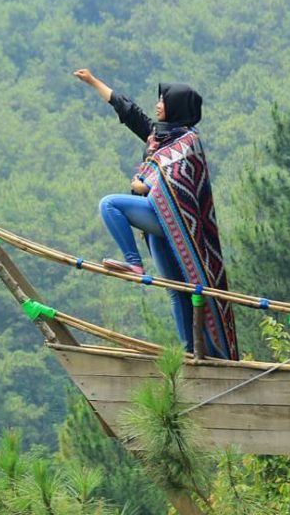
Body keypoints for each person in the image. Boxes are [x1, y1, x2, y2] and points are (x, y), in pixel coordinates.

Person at [73, 68, 239, 360]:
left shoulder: (187, 141)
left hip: (175, 219)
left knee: (110, 204)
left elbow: (176, 179)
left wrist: (145, 183)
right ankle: (191, 353)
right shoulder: (158, 137)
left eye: (163, 99)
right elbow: (128, 111)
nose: (158, 104)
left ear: (176, 105)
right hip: (160, 224)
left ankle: (134, 263)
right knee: (178, 291)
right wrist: (94, 82)